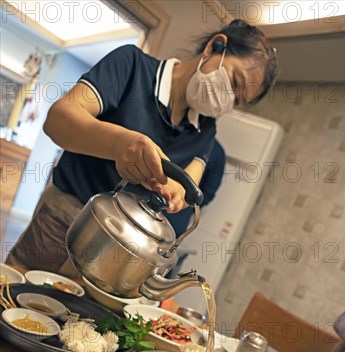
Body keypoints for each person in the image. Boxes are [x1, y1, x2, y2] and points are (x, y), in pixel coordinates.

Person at [6, 19, 278, 275]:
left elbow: (186, 185)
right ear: (215, 46)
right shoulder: (132, 66)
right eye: (234, 82)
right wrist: (120, 143)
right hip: (66, 219)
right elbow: (58, 120)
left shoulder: (205, 129)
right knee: (20, 302)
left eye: (237, 100)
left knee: (78, 323)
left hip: (121, 250)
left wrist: (176, 192)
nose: (226, 100)